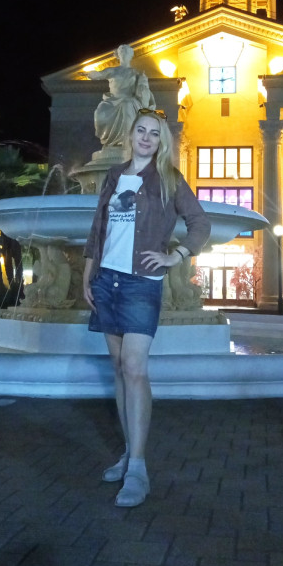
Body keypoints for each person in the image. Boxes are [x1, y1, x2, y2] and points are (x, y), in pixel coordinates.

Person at [83, 108, 211, 507]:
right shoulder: (113, 175)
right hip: (106, 281)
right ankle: (128, 452)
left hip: (141, 284)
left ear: (161, 141)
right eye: (141, 130)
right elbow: (98, 229)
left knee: (135, 368)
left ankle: (138, 468)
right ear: (130, 134)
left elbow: (200, 223)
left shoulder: (168, 178)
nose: (145, 138)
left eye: (154, 133)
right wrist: (87, 276)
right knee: (120, 370)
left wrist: (176, 256)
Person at [87, 44, 155, 146]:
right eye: (122, 52)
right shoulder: (112, 71)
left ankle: (127, 141)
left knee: (126, 105)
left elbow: (143, 91)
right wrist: (92, 74)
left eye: (126, 52)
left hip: (130, 101)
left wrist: (143, 86)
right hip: (113, 101)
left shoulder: (136, 73)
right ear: (118, 55)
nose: (124, 54)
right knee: (100, 111)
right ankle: (113, 142)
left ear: (131, 55)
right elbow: (99, 74)